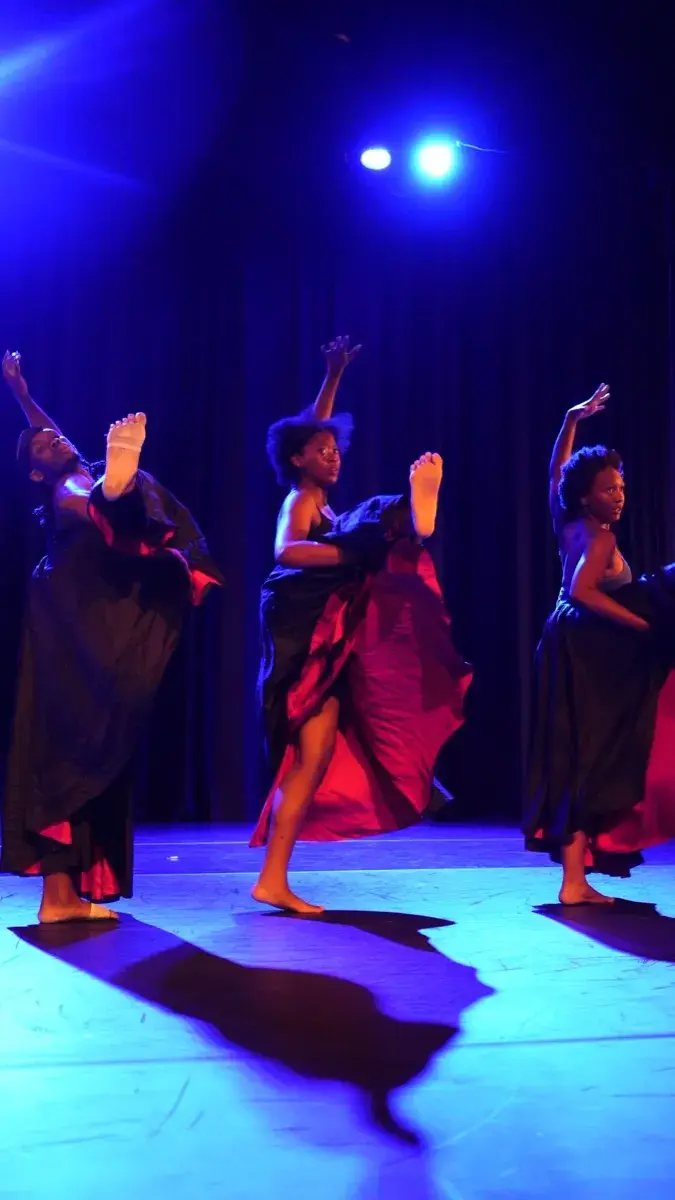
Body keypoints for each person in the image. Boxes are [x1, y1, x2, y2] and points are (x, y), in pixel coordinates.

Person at [251, 337, 472, 913]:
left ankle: (273, 878)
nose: (333, 456)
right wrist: (349, 556)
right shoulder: (300, 500)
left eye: (335, 450)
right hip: (301, 629)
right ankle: (410, 519)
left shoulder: (320, 500)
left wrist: (333, 376)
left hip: (327, 629)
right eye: (321, 451)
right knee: (369, 526)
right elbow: (285, 552)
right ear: (297, 460)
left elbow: (315, 427)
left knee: (316, 756)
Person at [1, 350, 223, 923]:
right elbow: (77, 501)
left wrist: (22, 393)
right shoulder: (63, 489)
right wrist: (106, 492)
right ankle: (117, 494)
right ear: (34, 473)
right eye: (41, 446)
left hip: (79, 607)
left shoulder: (70, 466)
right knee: (71, 748)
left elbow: (51, 435)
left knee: (84, 746)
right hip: (72, 621)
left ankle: (62, 897)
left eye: (55, 435)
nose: (53, 438)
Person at [524, 383, 675, 903]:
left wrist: (571, 419)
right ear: (586, 496)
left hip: (560, 641)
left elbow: (555, 473)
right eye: (608, 489)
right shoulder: (601, 537)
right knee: (591, 754)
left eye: (621, 487)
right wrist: (642, 626)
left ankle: (574, 881)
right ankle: (573, 881)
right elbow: (581, 590)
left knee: (575, 754)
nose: (619, 495)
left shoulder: (568, 522)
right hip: (587, 650)